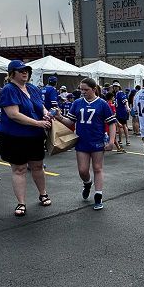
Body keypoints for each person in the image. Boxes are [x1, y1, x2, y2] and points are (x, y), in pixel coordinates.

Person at [0, 60, 52, 217]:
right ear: (12, 73)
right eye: (21, 70)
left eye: (26, 70)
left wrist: (46, 113)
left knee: (37, 166)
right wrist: (38, 123)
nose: (25, 72)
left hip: (34, 135)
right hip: (14, 136)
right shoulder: (9, 90)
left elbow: (40, 106)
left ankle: (43, 193)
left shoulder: (32, 88)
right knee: (19, 169)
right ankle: (21, 202)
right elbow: (13, 114)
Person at [55, 77, 117, 210]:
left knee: (97, 168)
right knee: (83, 170)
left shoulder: (102, 103)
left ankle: (98, 196)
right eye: (81, 89)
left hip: (97, 141)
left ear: (94, 89)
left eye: (86, 89)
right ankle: (87, 183)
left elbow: (112, 123)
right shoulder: (77, 103)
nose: (83, 92)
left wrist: (111, 142)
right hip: (82, 141)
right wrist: (59, 117)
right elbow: (70, 122)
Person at [112, 82, 131, 148]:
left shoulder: (120, 93)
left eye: (116, 87)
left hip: (122, 112)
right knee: (121, 126)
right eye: (114, 87)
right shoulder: (116, 94)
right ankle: (122, 140)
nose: (115, 88)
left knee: (122, 126)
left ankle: (125, 140)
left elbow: (125, 101)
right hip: (118, 112)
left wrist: (127, 107)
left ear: (119, 87)